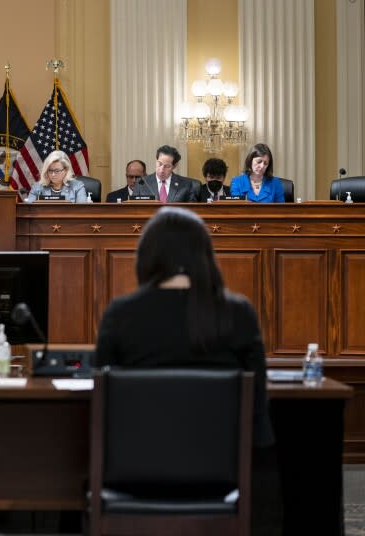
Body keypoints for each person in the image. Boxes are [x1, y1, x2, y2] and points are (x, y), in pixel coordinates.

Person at [93, 206, 279, 533]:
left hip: (132, 476)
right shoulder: (238, 314)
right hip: (222, 478)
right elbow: (258, 413)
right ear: (204, 255)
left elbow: (101, 401)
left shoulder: (121, 316)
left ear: (147, 256)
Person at [132, 145, 201, 202]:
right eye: (159, 164)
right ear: (156, 160)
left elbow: (191, 213)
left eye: (167, 166)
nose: (161, 170)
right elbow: (134, 210)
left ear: (174, 166)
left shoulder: (186, 185)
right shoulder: (142, 183)